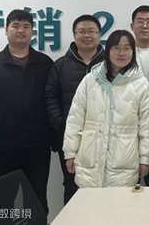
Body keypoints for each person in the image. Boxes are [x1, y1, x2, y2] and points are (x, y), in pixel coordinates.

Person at [0, 9, 54, 214]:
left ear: (32, 31)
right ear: (6, 30)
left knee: (36, 201)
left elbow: (53, 103)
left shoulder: (45, 64)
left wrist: (55, 139)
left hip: (37, 147)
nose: (21, 30)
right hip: (3, 148)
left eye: (26, 26)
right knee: (3, 203)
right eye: (15, 26)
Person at [63, 30, 149, 188]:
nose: (121, 53)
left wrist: (145, 159)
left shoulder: (142, 85)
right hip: (89, 159)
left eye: (127, 48)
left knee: (120, 203)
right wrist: (70, 152)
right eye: (116, 48)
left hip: (124, 162)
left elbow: (147, 126)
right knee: (89, 203)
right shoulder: (90, 80)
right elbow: (75, 118)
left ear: (133, 52)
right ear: (108, 50)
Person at [45, 14, 105, 204]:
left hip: (103, 136)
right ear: (74, 35)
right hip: (71, 137)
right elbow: (50, 97)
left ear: (99, 34)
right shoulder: (60, 65)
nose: (87, 35)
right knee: (72, 183)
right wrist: (62, 124)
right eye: (82, 31)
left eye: (91, 31)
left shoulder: (110, 65)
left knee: (104, 184)